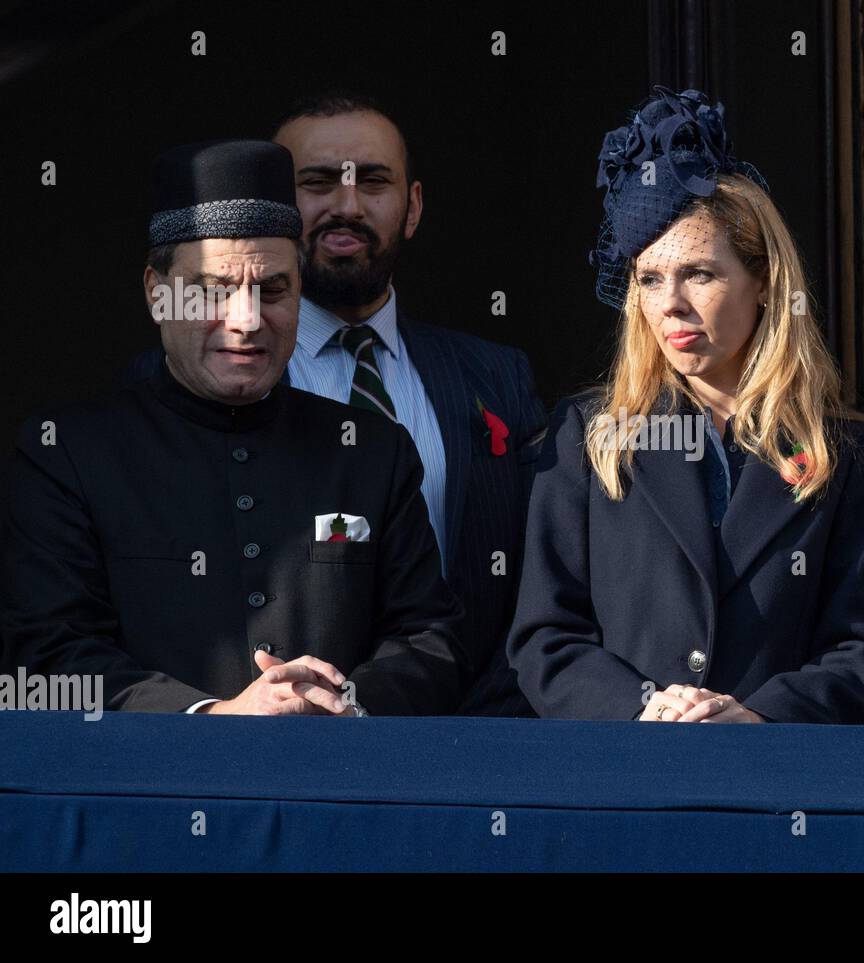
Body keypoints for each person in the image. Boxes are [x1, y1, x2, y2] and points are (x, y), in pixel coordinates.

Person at [2, 139, 468, 715]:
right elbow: (49, 652)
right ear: (158, 293)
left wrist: (343, 702)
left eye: (273, 289)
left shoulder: (373, 451)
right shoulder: (69, 454)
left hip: (338, 788)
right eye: (214, 291)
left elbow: (431, 638)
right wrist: (211, 718)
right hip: (148, 795)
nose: (246, 320)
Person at [123, 94, 547, 716]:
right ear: (271, 205)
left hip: (474, 745)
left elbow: (537, 587)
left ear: (414, 206)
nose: (346, 205)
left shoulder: (497, 376)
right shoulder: (186, 376)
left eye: (373, 181)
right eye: (316, 182)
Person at [506, 87, 864, 723]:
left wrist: (761, 717)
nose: (670, 303)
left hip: (776, 791)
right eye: (649, 279)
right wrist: (643, 706)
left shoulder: (849, 452)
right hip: (626, 780)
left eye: (699, 273)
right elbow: (544, 639)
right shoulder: (588, 436)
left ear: (764, 283)